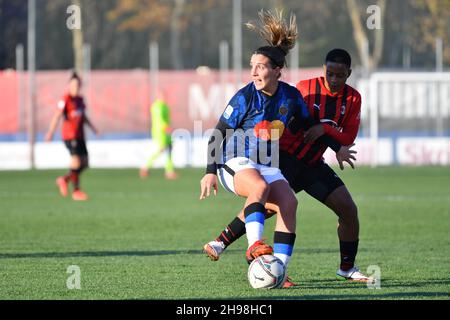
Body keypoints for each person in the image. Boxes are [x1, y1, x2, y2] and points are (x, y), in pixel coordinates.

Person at [200, 10, 345, 287]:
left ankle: (278, 270)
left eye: (260, 66)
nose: (253, 71)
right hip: (235, 161)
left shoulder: (290, 97)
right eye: (252, 65)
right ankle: (255, 247)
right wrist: (209, 171)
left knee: (289, 203)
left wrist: (336, 146)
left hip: (266, 164)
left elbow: (308, 126)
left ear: (277, 71)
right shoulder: (245, 96)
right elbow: (218, 133)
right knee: (258, 189)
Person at [45, 72, 98, 201]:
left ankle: (64, 179)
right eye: (73, 84)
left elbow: (83, 117)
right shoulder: (65, 99)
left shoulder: (80, 100)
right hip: (70, 135)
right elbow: (57, 116)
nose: (75, 87)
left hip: (80, 136)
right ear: (69, 85)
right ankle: (76, 191)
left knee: (85, 163)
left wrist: (93, 128)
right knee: (76, 161)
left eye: (78, 85)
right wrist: (50, 132)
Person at [140, 90, 178, 180]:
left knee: (169, 149)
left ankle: (169, 171)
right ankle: (145, 167)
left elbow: (167, 118)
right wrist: (165, 126)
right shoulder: (157, 107)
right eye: (162, 96)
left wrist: (169, 127)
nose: (164, 97)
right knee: (161, 150)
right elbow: (159, 119)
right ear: (158, 97)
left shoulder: (165, 106)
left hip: (166, 131)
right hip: (159, 132)